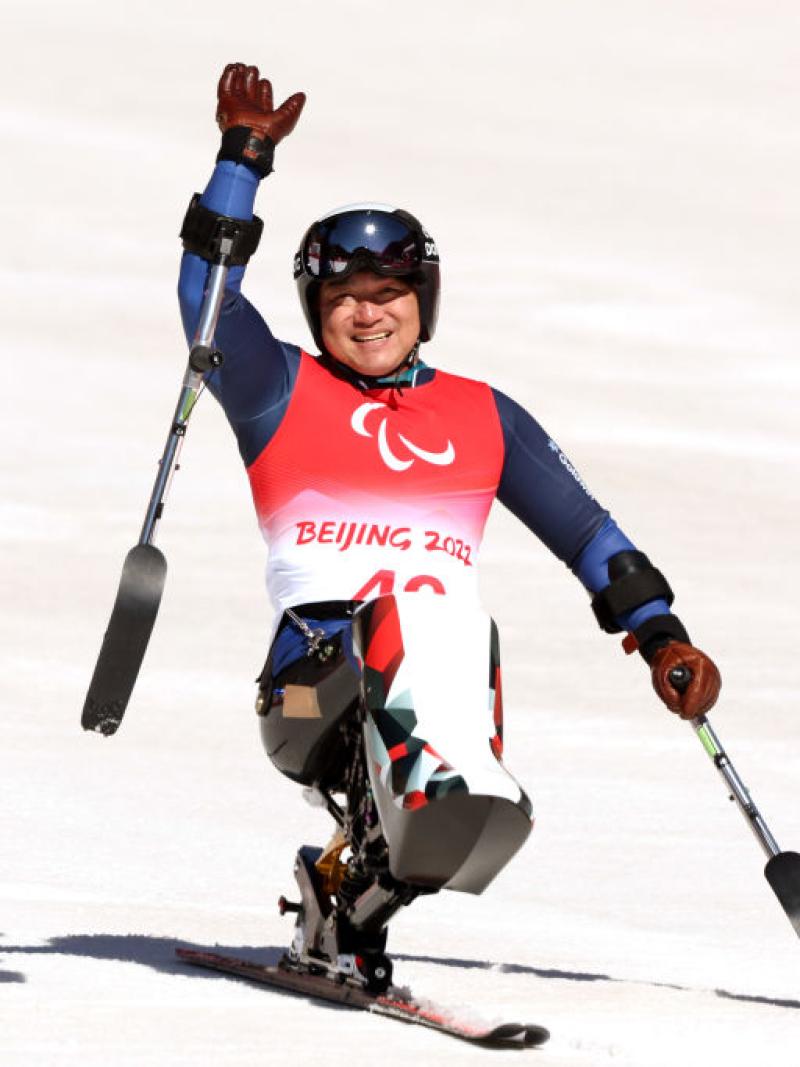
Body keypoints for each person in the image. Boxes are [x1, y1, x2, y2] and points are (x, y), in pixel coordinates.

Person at [178, 63, 721, 992]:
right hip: (306, 691)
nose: (367, 313)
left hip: (432, 688)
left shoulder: (482, 415)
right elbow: (208, 300)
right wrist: (244, 159)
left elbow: (590, 536)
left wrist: (661, 632)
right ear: (318, 313)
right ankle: (450, 792)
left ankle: (351, 898)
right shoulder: (280, 392)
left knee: (454, 625)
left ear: (423, 299)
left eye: (388, 293)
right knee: (423, 616)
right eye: (344, 299)